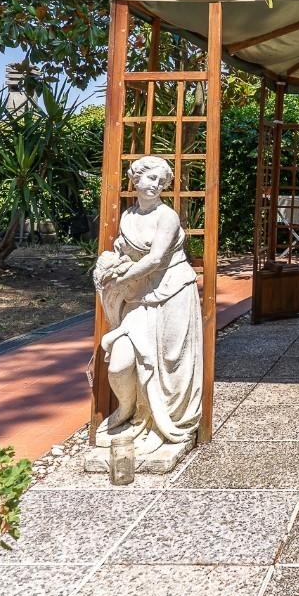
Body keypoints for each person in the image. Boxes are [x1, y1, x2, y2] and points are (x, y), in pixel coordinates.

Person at [92, 156, 202, 456]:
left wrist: (121, 277)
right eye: (151, 178)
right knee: (120, 363)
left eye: (161, 181)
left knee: (169, 361)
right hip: (139, 296)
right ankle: (128, 409)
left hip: (173, 291)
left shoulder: (167, 217)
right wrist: (111, 269)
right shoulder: (128, 217)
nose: (155, 185)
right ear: (136, 179)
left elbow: (154, 259)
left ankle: (163, 422)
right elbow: (124, 254)